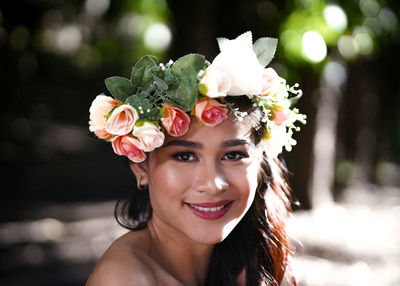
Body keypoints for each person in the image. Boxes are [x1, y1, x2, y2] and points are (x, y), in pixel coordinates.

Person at [86, 32, 306, 286]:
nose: (212, 184)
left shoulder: (263, 265)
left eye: (233, 155)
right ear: (140, 168)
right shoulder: (125, 279)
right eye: (185, 156)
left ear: (260, 162)